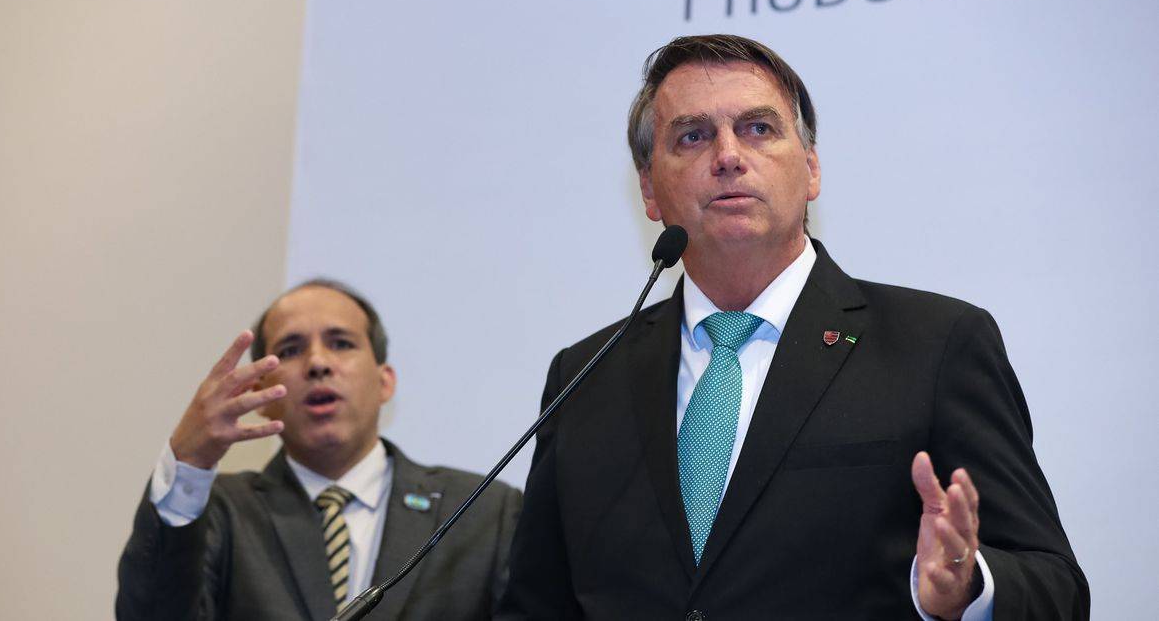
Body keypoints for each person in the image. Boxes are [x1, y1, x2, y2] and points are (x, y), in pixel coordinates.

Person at [496, 35, 1088, 620]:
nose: (728, 155)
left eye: (758, 128)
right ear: (649, 189)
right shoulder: (584, 377)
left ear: (810, 169)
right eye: (693, 136)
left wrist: (967, 589)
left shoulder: (936, 345)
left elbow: (1056, 588)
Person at [118, 279, 521, 621]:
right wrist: (189, 463)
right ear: (262, 395)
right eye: (291, 350)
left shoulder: (485, 511)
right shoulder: (221, 512)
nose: (317, 363)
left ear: (385, 382)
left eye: (341, 343)